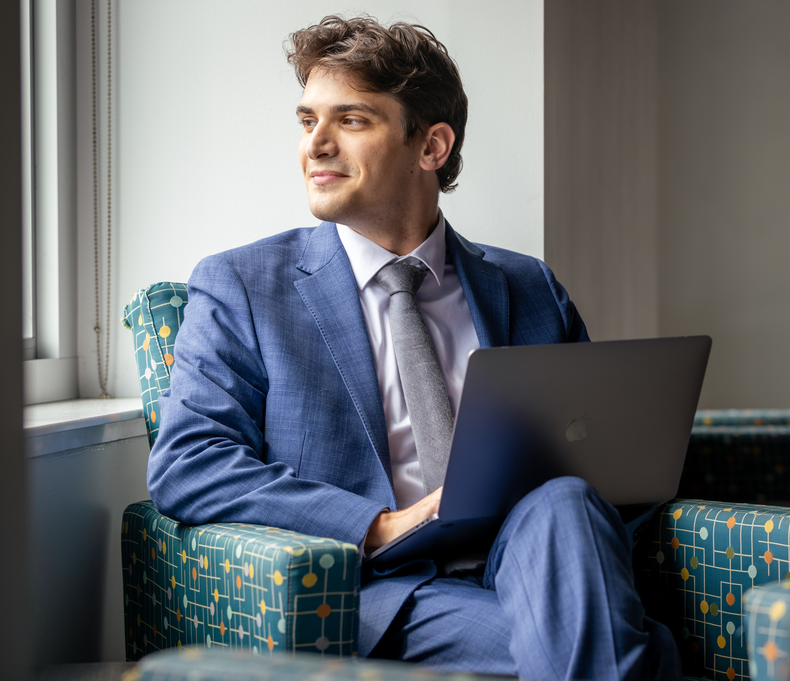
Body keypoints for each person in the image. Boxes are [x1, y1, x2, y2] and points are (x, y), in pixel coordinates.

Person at [148, 15, 680, 681]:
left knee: (565, 497)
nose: (315, 144)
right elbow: (189, 465)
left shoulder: (528, 285)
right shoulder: (244, 286)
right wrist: (379, 524)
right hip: (388, 587)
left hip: (530, 558)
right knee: (632, 650)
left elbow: (603, 462)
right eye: (307, 119)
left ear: (431, 146)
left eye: (352, 120)